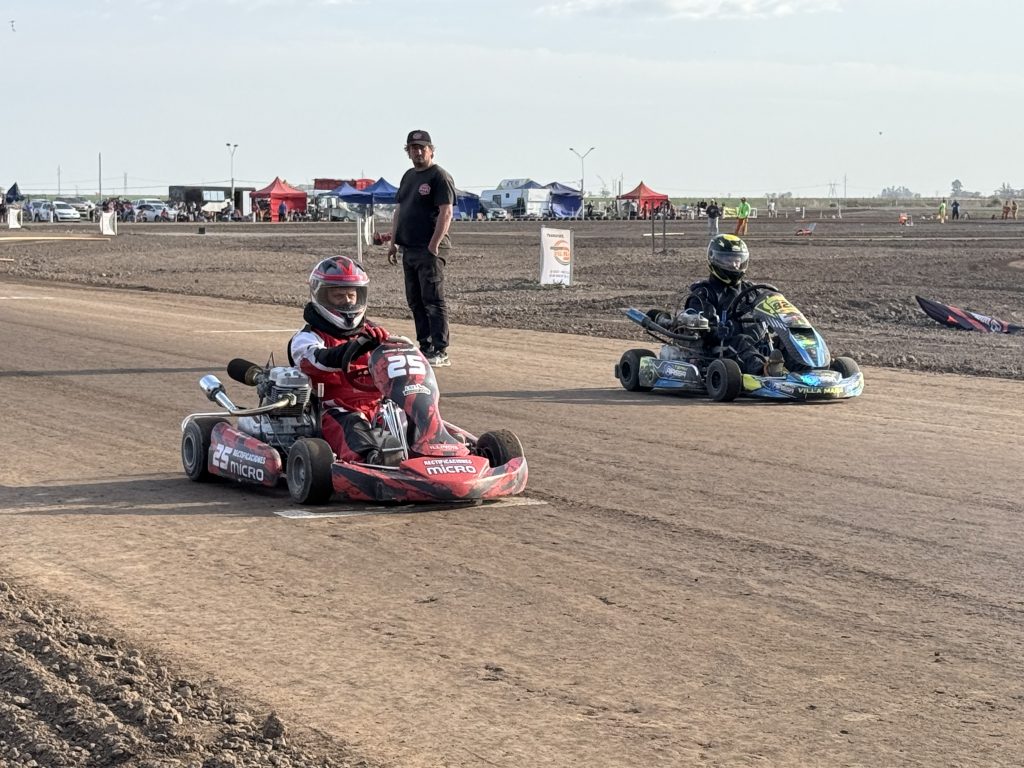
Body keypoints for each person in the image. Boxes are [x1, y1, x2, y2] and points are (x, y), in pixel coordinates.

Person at [289, 256, 395, 465]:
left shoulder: (372, 334)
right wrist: (354, 348)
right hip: (334, 410)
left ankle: (445, 450)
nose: (347, 302)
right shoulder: (307, 338)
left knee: (413, 418)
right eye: (338, 296)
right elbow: (318, 361)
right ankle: (369, 462)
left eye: (351, 295)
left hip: (378, 408)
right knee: (353, 425)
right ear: (321, 296)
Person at [649, 234, 782, 377]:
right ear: (714, 260)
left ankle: (804, 368)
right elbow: (701, 331)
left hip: (757, 342)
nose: (734, 266)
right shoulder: (704, 293)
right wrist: (717, 331)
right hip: (722, 348)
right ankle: (763, 371)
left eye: (738, 261)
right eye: (728, 261)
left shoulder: (751, 290)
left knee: (783, 341)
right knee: (741, 341)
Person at [387, 129, 456, 367]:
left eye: (421, 148)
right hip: (409, 248)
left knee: (433, 299)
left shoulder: (439, 176)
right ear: (408, 152)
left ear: (431, 150)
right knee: (415, 300)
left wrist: (434, 245)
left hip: (429, 249)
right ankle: (425, 346)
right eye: (413, 148)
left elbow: (446, 212)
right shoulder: (408, 177)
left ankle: (440, 349)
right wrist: (393, 242)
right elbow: (399, 211)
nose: (417, 152)